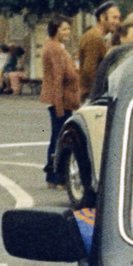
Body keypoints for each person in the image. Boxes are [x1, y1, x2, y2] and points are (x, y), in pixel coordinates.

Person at [40, 17, 80, 189]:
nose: (67, 32)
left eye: (68, 29)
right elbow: (57, 78)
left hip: (60, 99)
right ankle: (58, 178)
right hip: (61, 100)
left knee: (56, 137)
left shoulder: (52, 45)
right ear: (55, 29)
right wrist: (59, 107)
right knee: (60, 138)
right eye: (64, 29)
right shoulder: (55, 48)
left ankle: (52, 176)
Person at [77, 0, 120, 97]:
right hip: (91, 95)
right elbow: (89, 71)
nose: (117, 22)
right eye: (114, 18)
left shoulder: (97, 37)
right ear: (102, 17)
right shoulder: (94, 38)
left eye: (118, 18)